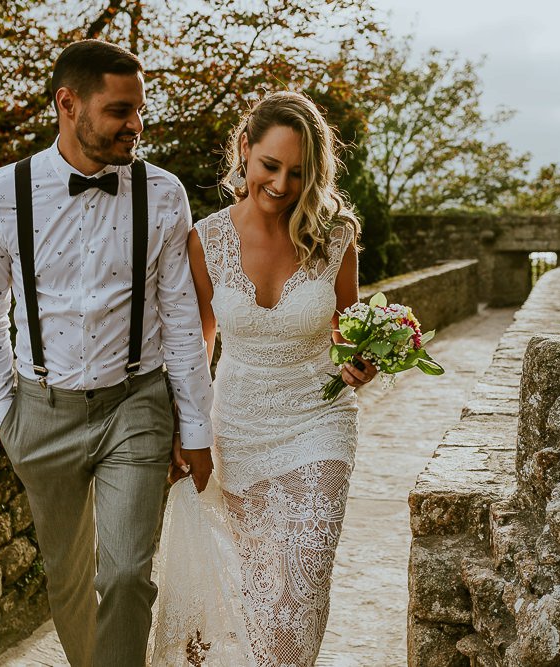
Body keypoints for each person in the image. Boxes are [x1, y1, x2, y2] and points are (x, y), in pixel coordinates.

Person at [0, 40, 213, 667]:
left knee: (127, 573)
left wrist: (196, 425)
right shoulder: (0, 194)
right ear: (67, 104)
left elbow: (182, 317)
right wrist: (4, 410)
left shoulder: (164, 194)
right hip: (40, 409)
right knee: (68, 578)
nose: (136, 126)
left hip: (135, 402)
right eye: (119, 111)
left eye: (140, 111)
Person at [153, 91, 377, 666]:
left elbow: (346, 328)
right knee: (260, 590)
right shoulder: (208, 240)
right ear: (245, 150)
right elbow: (197, 344)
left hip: (320, 423)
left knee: (302, 586)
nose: (281, 185)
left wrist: (364, 360)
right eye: (270, 166)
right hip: (240, 429)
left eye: (298, 173)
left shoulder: (335, 237)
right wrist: (189, 428)